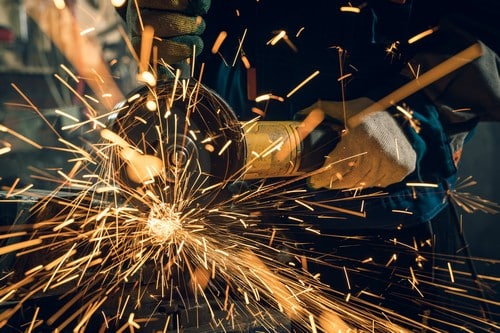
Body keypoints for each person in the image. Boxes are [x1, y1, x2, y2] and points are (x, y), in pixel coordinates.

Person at [121, 1, 500, 331]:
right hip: (229, 211)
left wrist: (413, 114)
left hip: (376, 222)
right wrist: (149, 13)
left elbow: (485, 46)